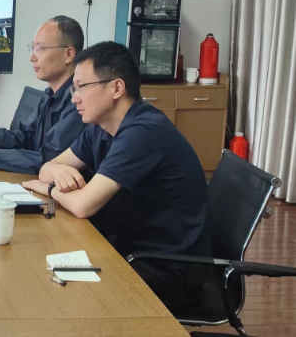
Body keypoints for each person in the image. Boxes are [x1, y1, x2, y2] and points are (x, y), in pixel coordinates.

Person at [21, 41, 211, 311]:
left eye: (82, 87)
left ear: (117, 88)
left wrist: (50, 189)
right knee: (39, 265)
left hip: (163, 270)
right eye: (74, 88)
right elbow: (47, 168)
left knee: (50, 294)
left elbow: (83, 205)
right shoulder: (101, 126)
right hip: (125, 247)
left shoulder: (143, 131)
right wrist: (58, 170)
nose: (74, 98)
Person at [0, 16, 87, 174]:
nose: (32, 57)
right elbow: (24, 137)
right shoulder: (50, 96)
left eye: (40, 49)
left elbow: (52, 160)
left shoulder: (80, 103)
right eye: (32, 48)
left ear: (69, 54)